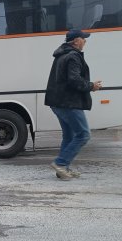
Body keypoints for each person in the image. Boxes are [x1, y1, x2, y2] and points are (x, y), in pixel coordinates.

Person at [44, 29, 102, 180]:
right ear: (76, 41)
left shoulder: (62, 54)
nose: (85, 41)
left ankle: (63, 169)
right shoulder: (73, 56)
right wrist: (91, 86)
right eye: (84, 39)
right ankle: (61, 163)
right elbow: (74, 80)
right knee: (83, 135)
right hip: (68, 102)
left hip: (58, 102)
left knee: (69, 135)